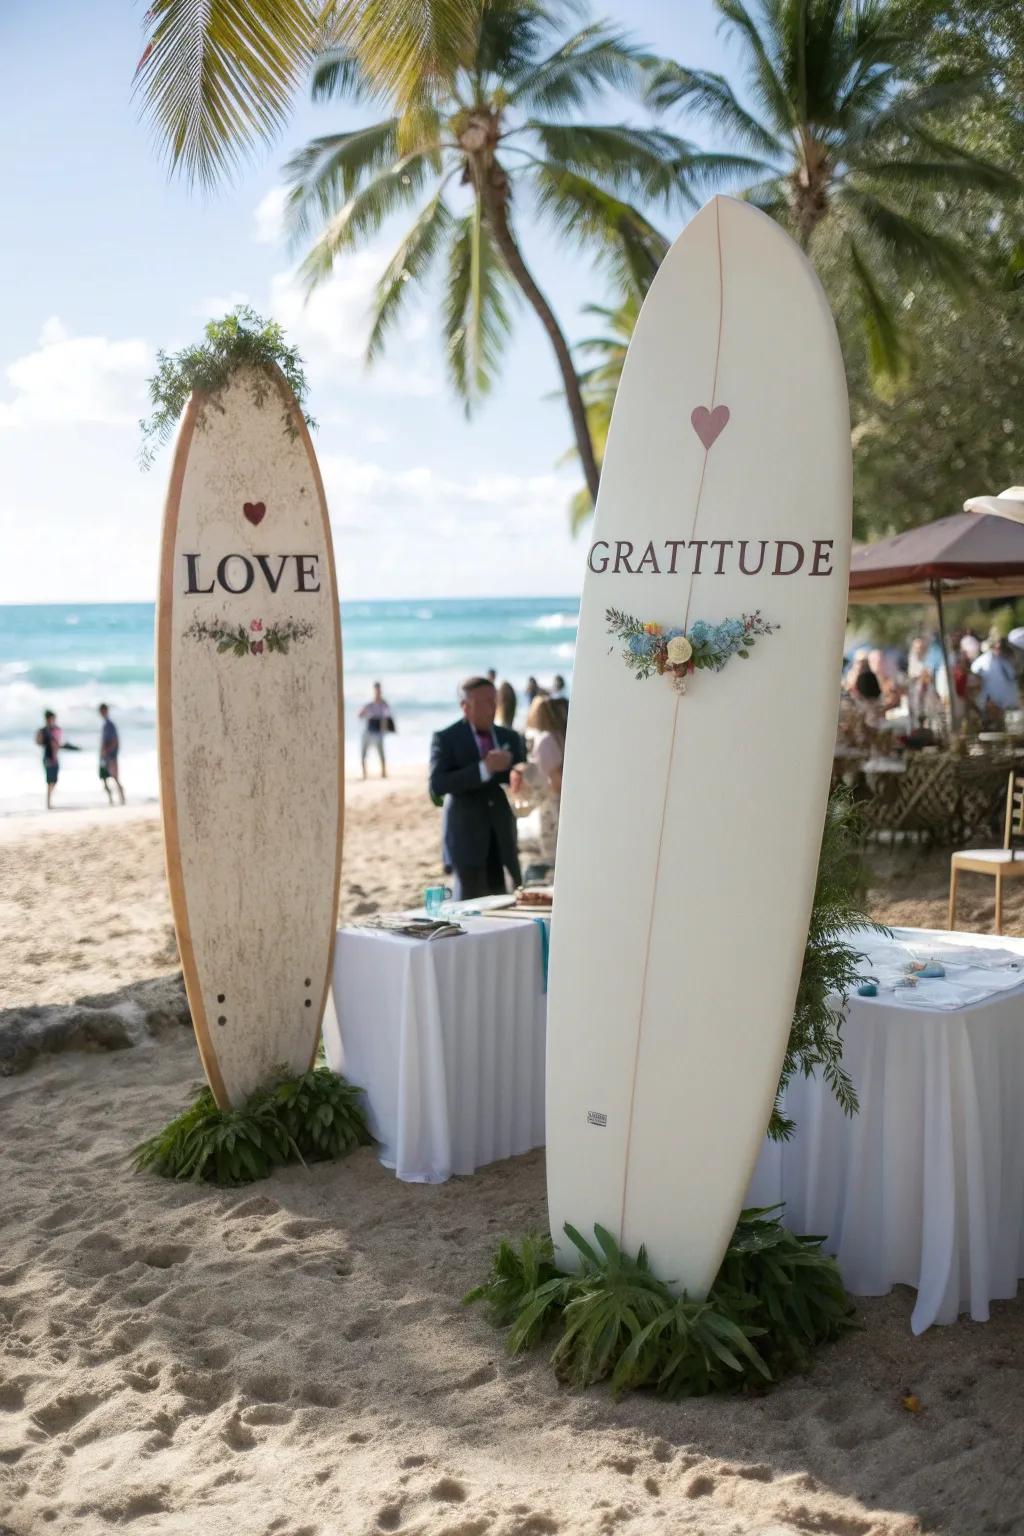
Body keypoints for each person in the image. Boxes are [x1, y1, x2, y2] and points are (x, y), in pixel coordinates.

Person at [429, 676, 525, 900]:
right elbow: (437, 785)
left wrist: (516, 770)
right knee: (469, 906)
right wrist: (483, 769)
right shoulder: (446, 738)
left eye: (494, 700)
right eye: (484, 702)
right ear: (465, 707)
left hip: (501, 834)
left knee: (504, 902)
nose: (492, 707)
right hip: (466, 835)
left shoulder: (509, 736)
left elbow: (522, 781)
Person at [511, 696, 565, 865]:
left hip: (552, 799)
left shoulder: (545, 740)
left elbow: (548, 775)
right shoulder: (561, 736)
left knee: (552, 850)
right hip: (563, 798)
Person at [34, 710, 79, 810]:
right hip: (47, 757)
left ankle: (49, 801)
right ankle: (48, 803)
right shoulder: (43, 730)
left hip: (55, 757)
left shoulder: (56, 729)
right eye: (49, 719)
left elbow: (58, 743)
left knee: (55, 780)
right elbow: (38, 742)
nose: (51, 720)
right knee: (49, 780)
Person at [971, 636, 1020, 721]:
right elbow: (975, 679)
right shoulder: (982, 662)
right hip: (993, 707)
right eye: (996, 646)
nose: (998, 648)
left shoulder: (1006, 661)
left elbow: (1012, 678)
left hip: (1010, 706)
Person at [358, 682, 393, 779]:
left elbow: (387, 719)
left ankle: (383, 773)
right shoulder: (370, 704)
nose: (378, 692)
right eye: (376, 690)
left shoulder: (384, 704)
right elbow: (360, 715)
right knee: (363, 753)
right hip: (368, 730)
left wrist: (384, 730)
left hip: (378, 733)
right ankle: (364, 774)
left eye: (379, 690)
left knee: (381, 753)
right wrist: (365, 714)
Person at [98, 703, 125, 806]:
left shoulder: (109, 725)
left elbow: (114, 741)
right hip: (106, 756)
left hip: (110, 756)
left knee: (114, 777)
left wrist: (109, 753)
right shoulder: (106, 724)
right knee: (105, 778)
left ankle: (121, 798)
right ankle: (111, 799)